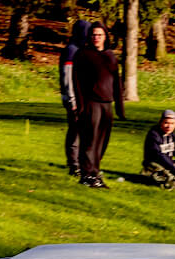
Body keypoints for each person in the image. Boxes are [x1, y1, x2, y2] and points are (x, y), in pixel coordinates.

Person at [73, 23, 124, 188]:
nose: (96, 38)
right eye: (94, 35)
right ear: (89, 36)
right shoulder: (83, 54)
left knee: (102, 141)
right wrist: (80, 105)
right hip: (91, 103)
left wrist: (120, 107)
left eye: (100, 35)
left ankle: (95, 172)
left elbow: (117, 81)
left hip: (107, 104)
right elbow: (77, 81)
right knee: (90, 140)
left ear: (105, 37)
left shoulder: (110, 56)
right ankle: (87, 175)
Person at [58, 19, 91, 177]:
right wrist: (72, 101)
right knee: (76, 131)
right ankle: (74, 165)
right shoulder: (71, 50)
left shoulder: (80, 49)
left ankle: (81, 162)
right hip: (74, 101)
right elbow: (67, 79)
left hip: (83, 99)